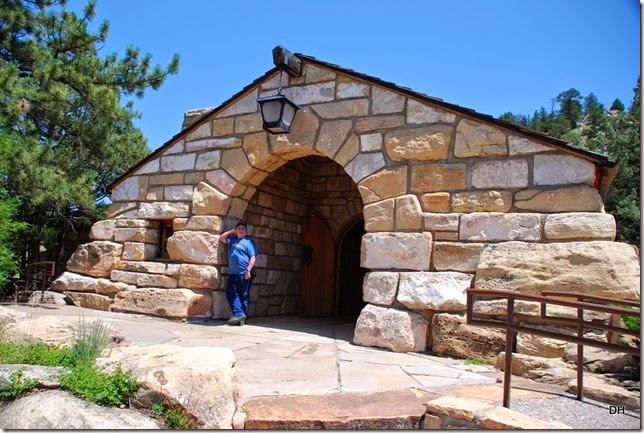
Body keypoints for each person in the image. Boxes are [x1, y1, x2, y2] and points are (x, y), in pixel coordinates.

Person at [219, 221, 257, 326]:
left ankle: (241, 318)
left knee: (243, 295)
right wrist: (231, 231)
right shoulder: (232, 240)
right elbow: (221, 238)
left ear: (246, 231)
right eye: (239, 228)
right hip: (233, 273)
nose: (241, 230)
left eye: (243, 228)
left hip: (244, 273)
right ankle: (239, 314)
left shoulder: (249, 242)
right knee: (231, 293)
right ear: (236, 230)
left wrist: (248, 270)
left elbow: (253, 257)